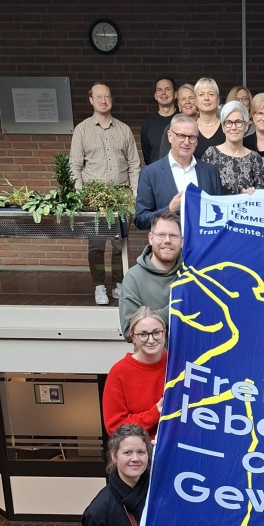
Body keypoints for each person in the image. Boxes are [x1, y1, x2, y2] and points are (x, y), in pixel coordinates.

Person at [69, 82, 141, 306]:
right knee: (96, 246)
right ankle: (99, 285)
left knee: (120, 244)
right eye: (99, 97)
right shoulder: (82, 130)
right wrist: (80, 195)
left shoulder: (124, 130)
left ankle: (119, 283)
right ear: (91, 100)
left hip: (121, 196)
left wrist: (135, 194)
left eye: (107, 96)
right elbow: (75, 166)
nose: (103, 100)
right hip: (94, 198)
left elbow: (134, 164)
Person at [134, 113, 222, 231]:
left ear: (196, 141)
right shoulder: (150, 173)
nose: (186, 142)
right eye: (181, 136)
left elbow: (221, 213)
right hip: (168, 241)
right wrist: (169, 209)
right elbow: (140, 220)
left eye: (192, 137)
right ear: (170, 136)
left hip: (203, 241)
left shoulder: (211, 172)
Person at [103, 307, 167, 439]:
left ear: (164, 332)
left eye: (156, 332)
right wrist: (155, 413)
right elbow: (114, 427)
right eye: (143, 334)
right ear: (133, 337)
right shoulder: (119, 372)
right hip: (140, 450)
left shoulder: (178, 364)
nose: (151, 340)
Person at [119, 210, 182, 336]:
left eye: (173, 236)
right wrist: (176, 306)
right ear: (151, 238)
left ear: (182, 241)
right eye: (161, 235)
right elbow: (129, 330)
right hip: (153, 349)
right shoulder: (134, 278)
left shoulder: (192, 274)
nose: (167, 240)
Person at [202, 100, 264, 194]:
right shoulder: (211, 155)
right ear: (223, 127)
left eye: (238, 122)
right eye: (228, 122)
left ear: (246, 126)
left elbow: (262, 195)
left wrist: (252, 194)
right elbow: (203, 192)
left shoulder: (255, 158)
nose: (233, 127)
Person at [140, 76, 177, 164]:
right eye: (159, 90)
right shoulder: (148, 123)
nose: (163, 93)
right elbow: (147, 156)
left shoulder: (183, 120)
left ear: (175, 94)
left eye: (167, 89)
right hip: (156, 171)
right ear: (155, 96)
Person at [193, 77, 225, 158]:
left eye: (211, 94)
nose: (206, 98)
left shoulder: (227, 128)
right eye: (201, 94)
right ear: (195, 101)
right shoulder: (189, 129)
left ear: (218, 100)